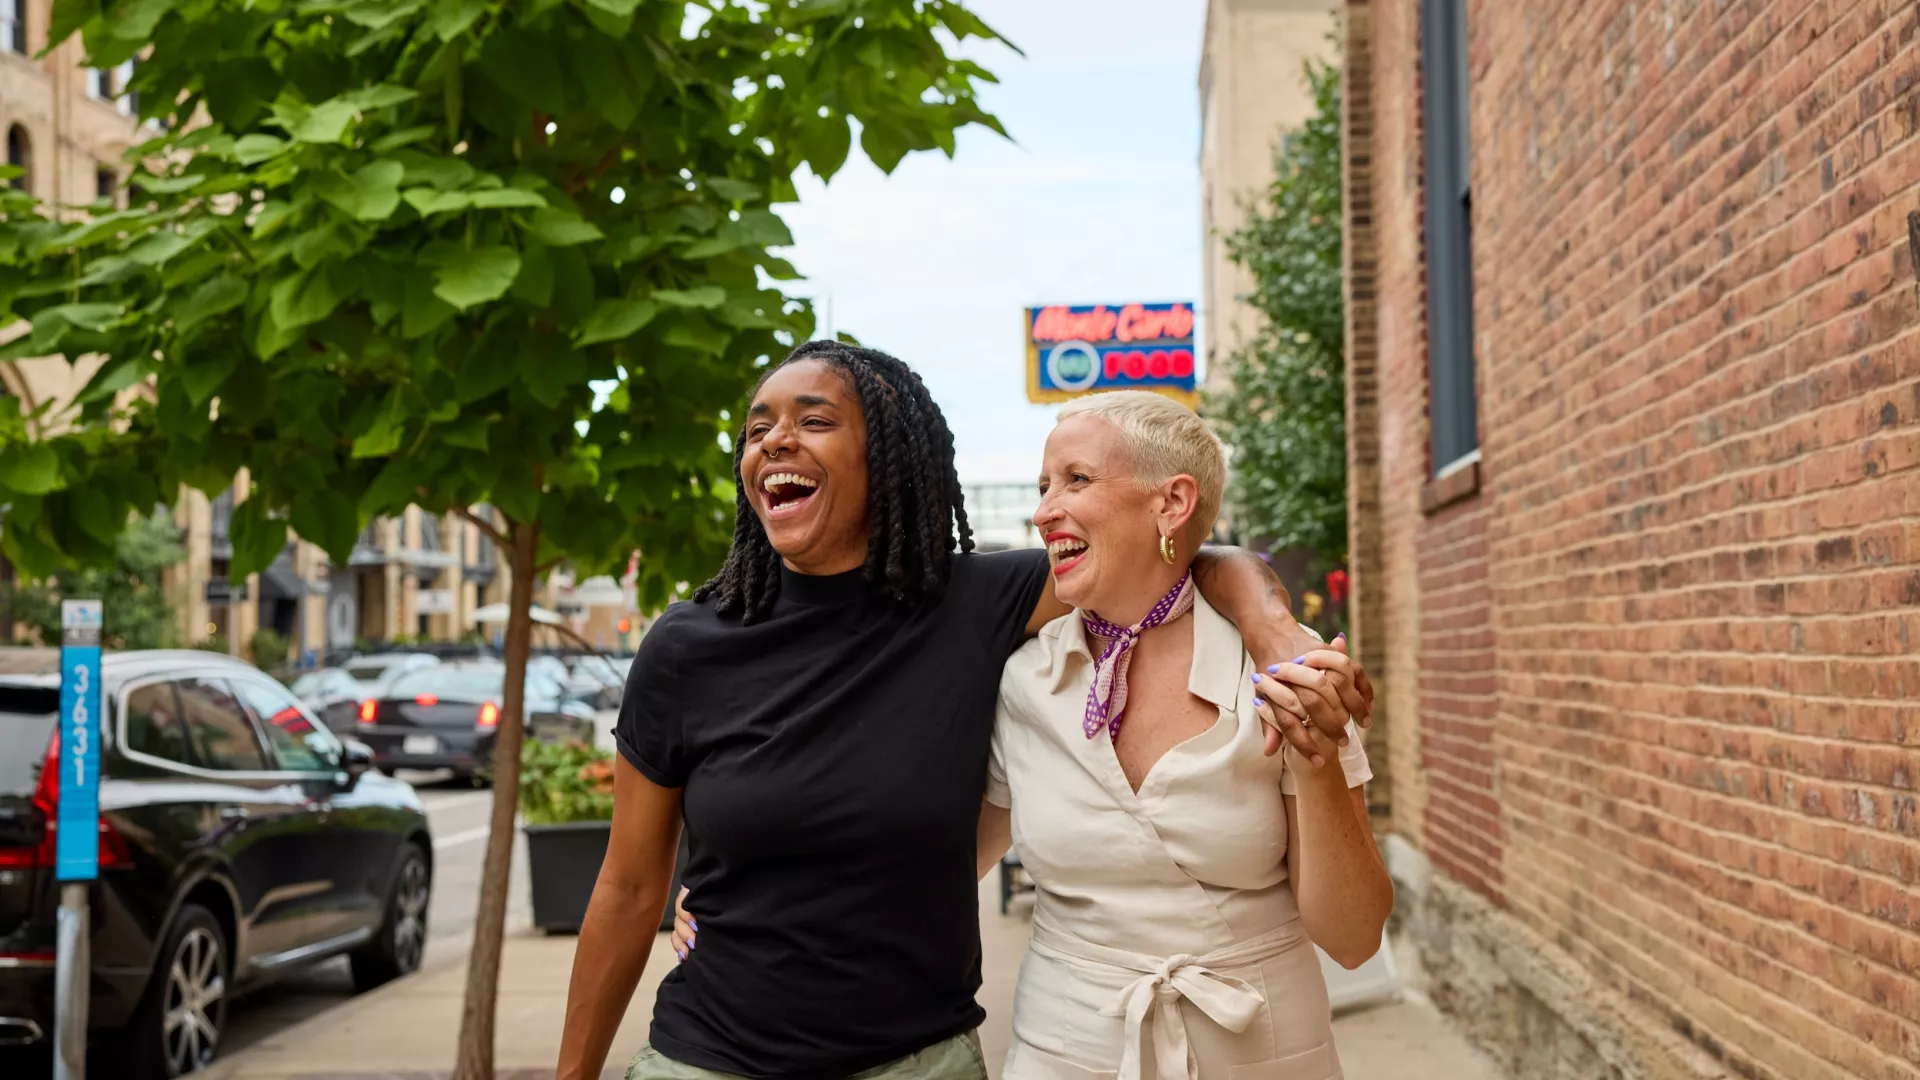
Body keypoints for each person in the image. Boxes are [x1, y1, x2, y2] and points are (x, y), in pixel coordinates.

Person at [555, 343, 1372, 1080]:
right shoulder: (688, 644)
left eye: (813, 420)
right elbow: (628, 887)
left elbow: (1177, 558)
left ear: (887, 456)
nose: (773, 440)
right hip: (712, 1056)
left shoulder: (971, 603)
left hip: (922, 1061)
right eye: (757, 426)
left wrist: (1272, 632)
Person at [977, 392, 1392, 1079]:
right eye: (1043, 485)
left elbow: (1353, 938)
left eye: (1076, 480)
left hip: (1265, 1054)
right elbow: (944, 865)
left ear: (1171, 502)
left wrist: (1316, 759)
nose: (1044, 510)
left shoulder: (1286, 669)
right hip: (1064, 1054)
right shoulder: (1023, 679)